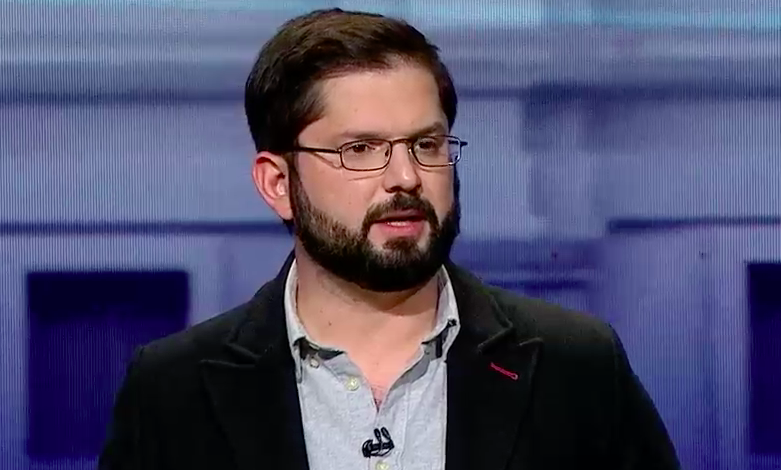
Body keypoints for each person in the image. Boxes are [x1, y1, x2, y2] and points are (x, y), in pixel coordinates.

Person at [99, 8, 680, 470]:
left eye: (427, 144)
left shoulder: (574, 365)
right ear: (278, 183)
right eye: (360, 149)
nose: (406, 177)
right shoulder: (173, 390)